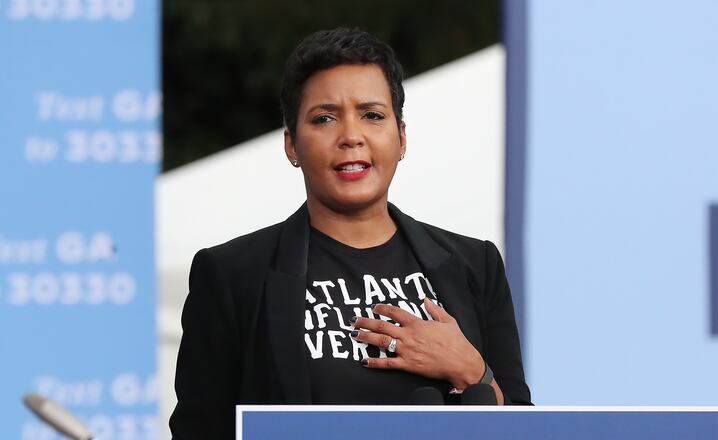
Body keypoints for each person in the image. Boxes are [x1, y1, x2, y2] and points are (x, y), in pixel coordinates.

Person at [170, 27, 531, 439]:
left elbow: (524, 426)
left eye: (373, 115)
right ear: (291, 144)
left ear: (402, 137)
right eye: (324, 118)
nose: (351, 136)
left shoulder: (474, 265)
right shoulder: (233, 275)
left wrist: (471, 370)